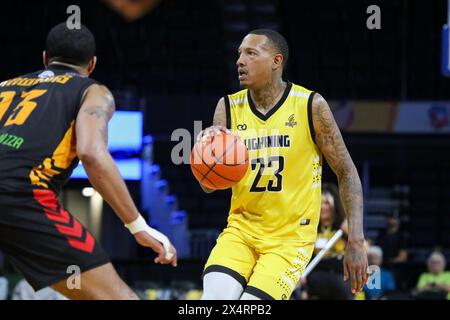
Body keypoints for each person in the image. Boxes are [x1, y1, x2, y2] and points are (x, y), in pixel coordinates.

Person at [0, 23, 177, 300]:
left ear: (45, 58)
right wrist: (137, 226)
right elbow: (92, 153)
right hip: (20, 195)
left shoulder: (5, 87)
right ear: (92, 64)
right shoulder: (93, 91)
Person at [197, 29, 368, 300]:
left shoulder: (311, 105)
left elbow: (346, 172)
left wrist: (356, 240)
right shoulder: (227, 107)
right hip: (240, 231)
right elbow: (210, 186)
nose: (240, 60)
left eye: (251, 53)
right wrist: (203, 160)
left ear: (276, 61)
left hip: (290, 241)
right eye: (239, 54)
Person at [300, 183, 353, 300]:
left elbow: (363, 249)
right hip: (314, 277)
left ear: (335, 205)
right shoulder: (311, 228)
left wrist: (350, 232)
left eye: (327, 203)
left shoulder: (343, 226)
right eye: (320, 203)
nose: (323, 207)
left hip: (339, 276)